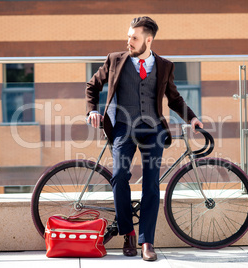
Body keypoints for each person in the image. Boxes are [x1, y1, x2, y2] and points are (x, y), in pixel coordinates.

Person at [86, 16, 203, 261]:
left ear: (148, 40)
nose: (129, 41)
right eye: (128, 36)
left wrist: (191, 118)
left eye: (134, 37)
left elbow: (174, 99)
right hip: (123, 127)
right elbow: (93, 85)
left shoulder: (165, 65)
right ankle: (127, 232)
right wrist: (93, 110)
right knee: (119, 175)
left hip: (152, 129)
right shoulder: (114, 60)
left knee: (151, 183)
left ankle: (147, 242)